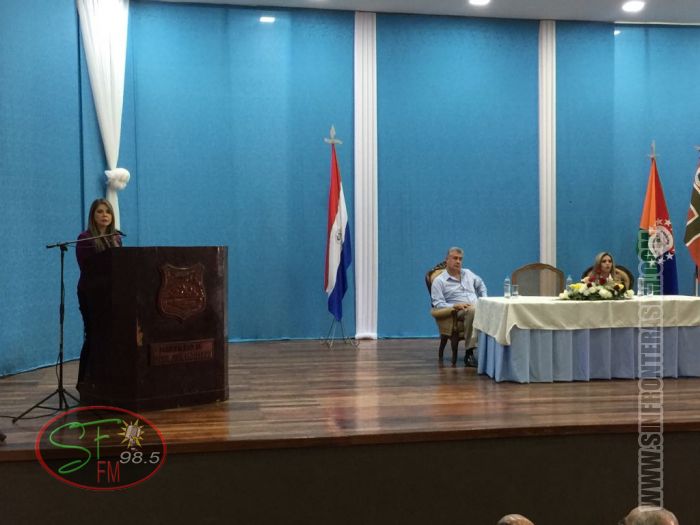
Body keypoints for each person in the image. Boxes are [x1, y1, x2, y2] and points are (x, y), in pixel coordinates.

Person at [75, 198, 122, 389]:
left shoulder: (116, 238)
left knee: (110, 336)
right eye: (100, 211)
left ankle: (105, 380)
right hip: (91, 294)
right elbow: (87, 268)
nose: (104, 215)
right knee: (93, 335)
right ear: (93, 216)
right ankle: (84, 382)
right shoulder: (85, 239)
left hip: (112, 294)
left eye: (108, 212)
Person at [430, 246, 487, 366]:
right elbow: (438, 304)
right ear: (447, 260)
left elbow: (480, 284)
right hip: (458, 312)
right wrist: (455, 305)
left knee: (496, 309)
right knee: (472, 311)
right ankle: (469, 353)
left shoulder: (468, 273)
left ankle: (493, 354)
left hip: (478, 306)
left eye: (460, 259)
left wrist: (484, 299)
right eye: (455, 258)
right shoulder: (439, 281)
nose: (458, 261)